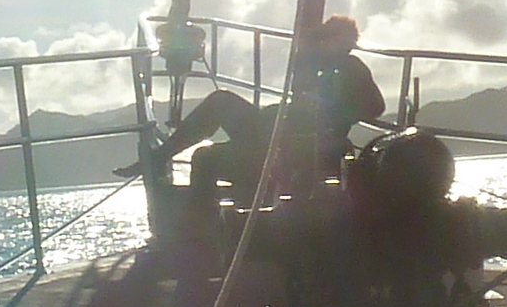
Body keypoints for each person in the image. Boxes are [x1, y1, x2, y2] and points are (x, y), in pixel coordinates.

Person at [128, 15, 386, 202]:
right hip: (271, 127)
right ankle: (159, 158)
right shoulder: (315, 66)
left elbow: (376, 107)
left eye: (334, 41)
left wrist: (338, 111)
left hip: (288, 141)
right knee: (221, 100)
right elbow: (299, 90)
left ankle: (199, 234)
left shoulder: (352, 68)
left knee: (205, 157)